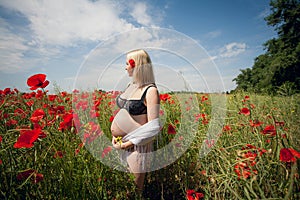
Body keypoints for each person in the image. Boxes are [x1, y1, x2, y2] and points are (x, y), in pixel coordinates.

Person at [110, 49, 160, 193]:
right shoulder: (131, 87)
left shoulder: (151, 91)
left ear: (136, 65)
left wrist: (128, 144)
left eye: (127, 64)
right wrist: (116, 137)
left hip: (136, 146)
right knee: (121, 188)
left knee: (133, 191)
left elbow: (153, 127)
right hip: (121, 142)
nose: (125, 67)